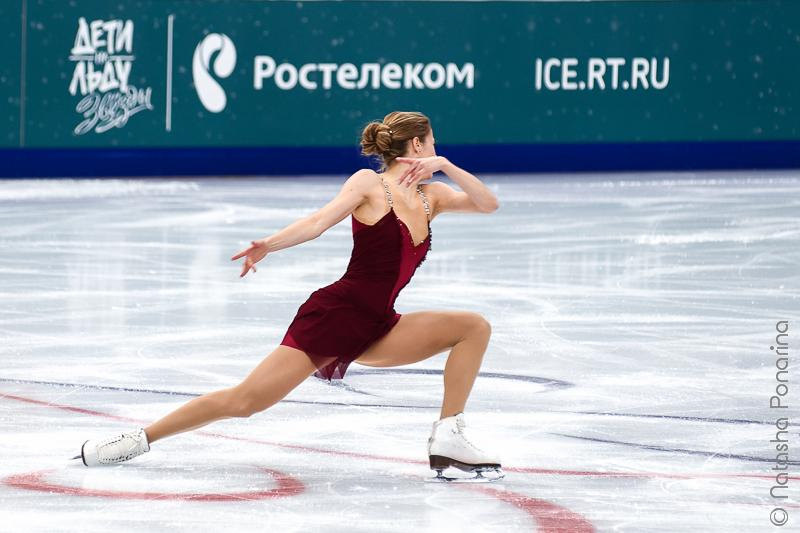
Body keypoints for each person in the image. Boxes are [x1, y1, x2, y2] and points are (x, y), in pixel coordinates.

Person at [75, 111, 503, 481]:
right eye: (433, 143)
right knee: (244, 402)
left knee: (472, 328)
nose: (435, 148)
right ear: (416, 143)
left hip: (379, 323)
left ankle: (449, 433)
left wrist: (445, 164)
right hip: (336, 315)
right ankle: (138, 439)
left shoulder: (433, 197)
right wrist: (269, 244)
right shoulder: (369, 184)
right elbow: (318, 221)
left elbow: (488, 204)